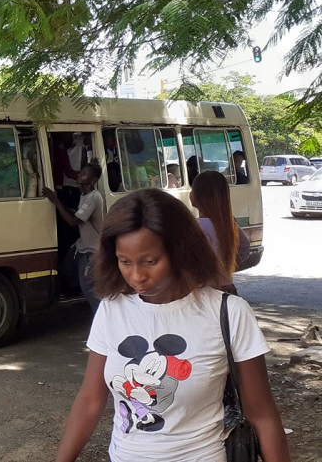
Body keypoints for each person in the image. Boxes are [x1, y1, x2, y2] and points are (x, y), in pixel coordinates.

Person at [55, 188, 290, 462]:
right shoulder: (112, 309)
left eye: (150, 261)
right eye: (125, 262)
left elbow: (262, 415)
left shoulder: (227, 313)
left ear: (179, 250)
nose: (137, 276)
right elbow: (90, 401)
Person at [43, 161, 104, 312]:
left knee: (88, 287)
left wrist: (56, 201)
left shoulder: (93, 198)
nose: (79, 175)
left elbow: (73, 222)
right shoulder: (84, 195)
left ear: (93, 180)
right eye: (80, 172)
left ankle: (101, 317)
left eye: (84, 174)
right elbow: (77, 213)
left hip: (91, 249)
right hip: (81, 246)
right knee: (65, 270)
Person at [191, 171, 250, 295]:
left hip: (205, 290)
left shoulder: (196, 226)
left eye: (192, 189)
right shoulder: (228, 224)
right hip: (227, 287)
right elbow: (244, 248)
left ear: (198, 196)